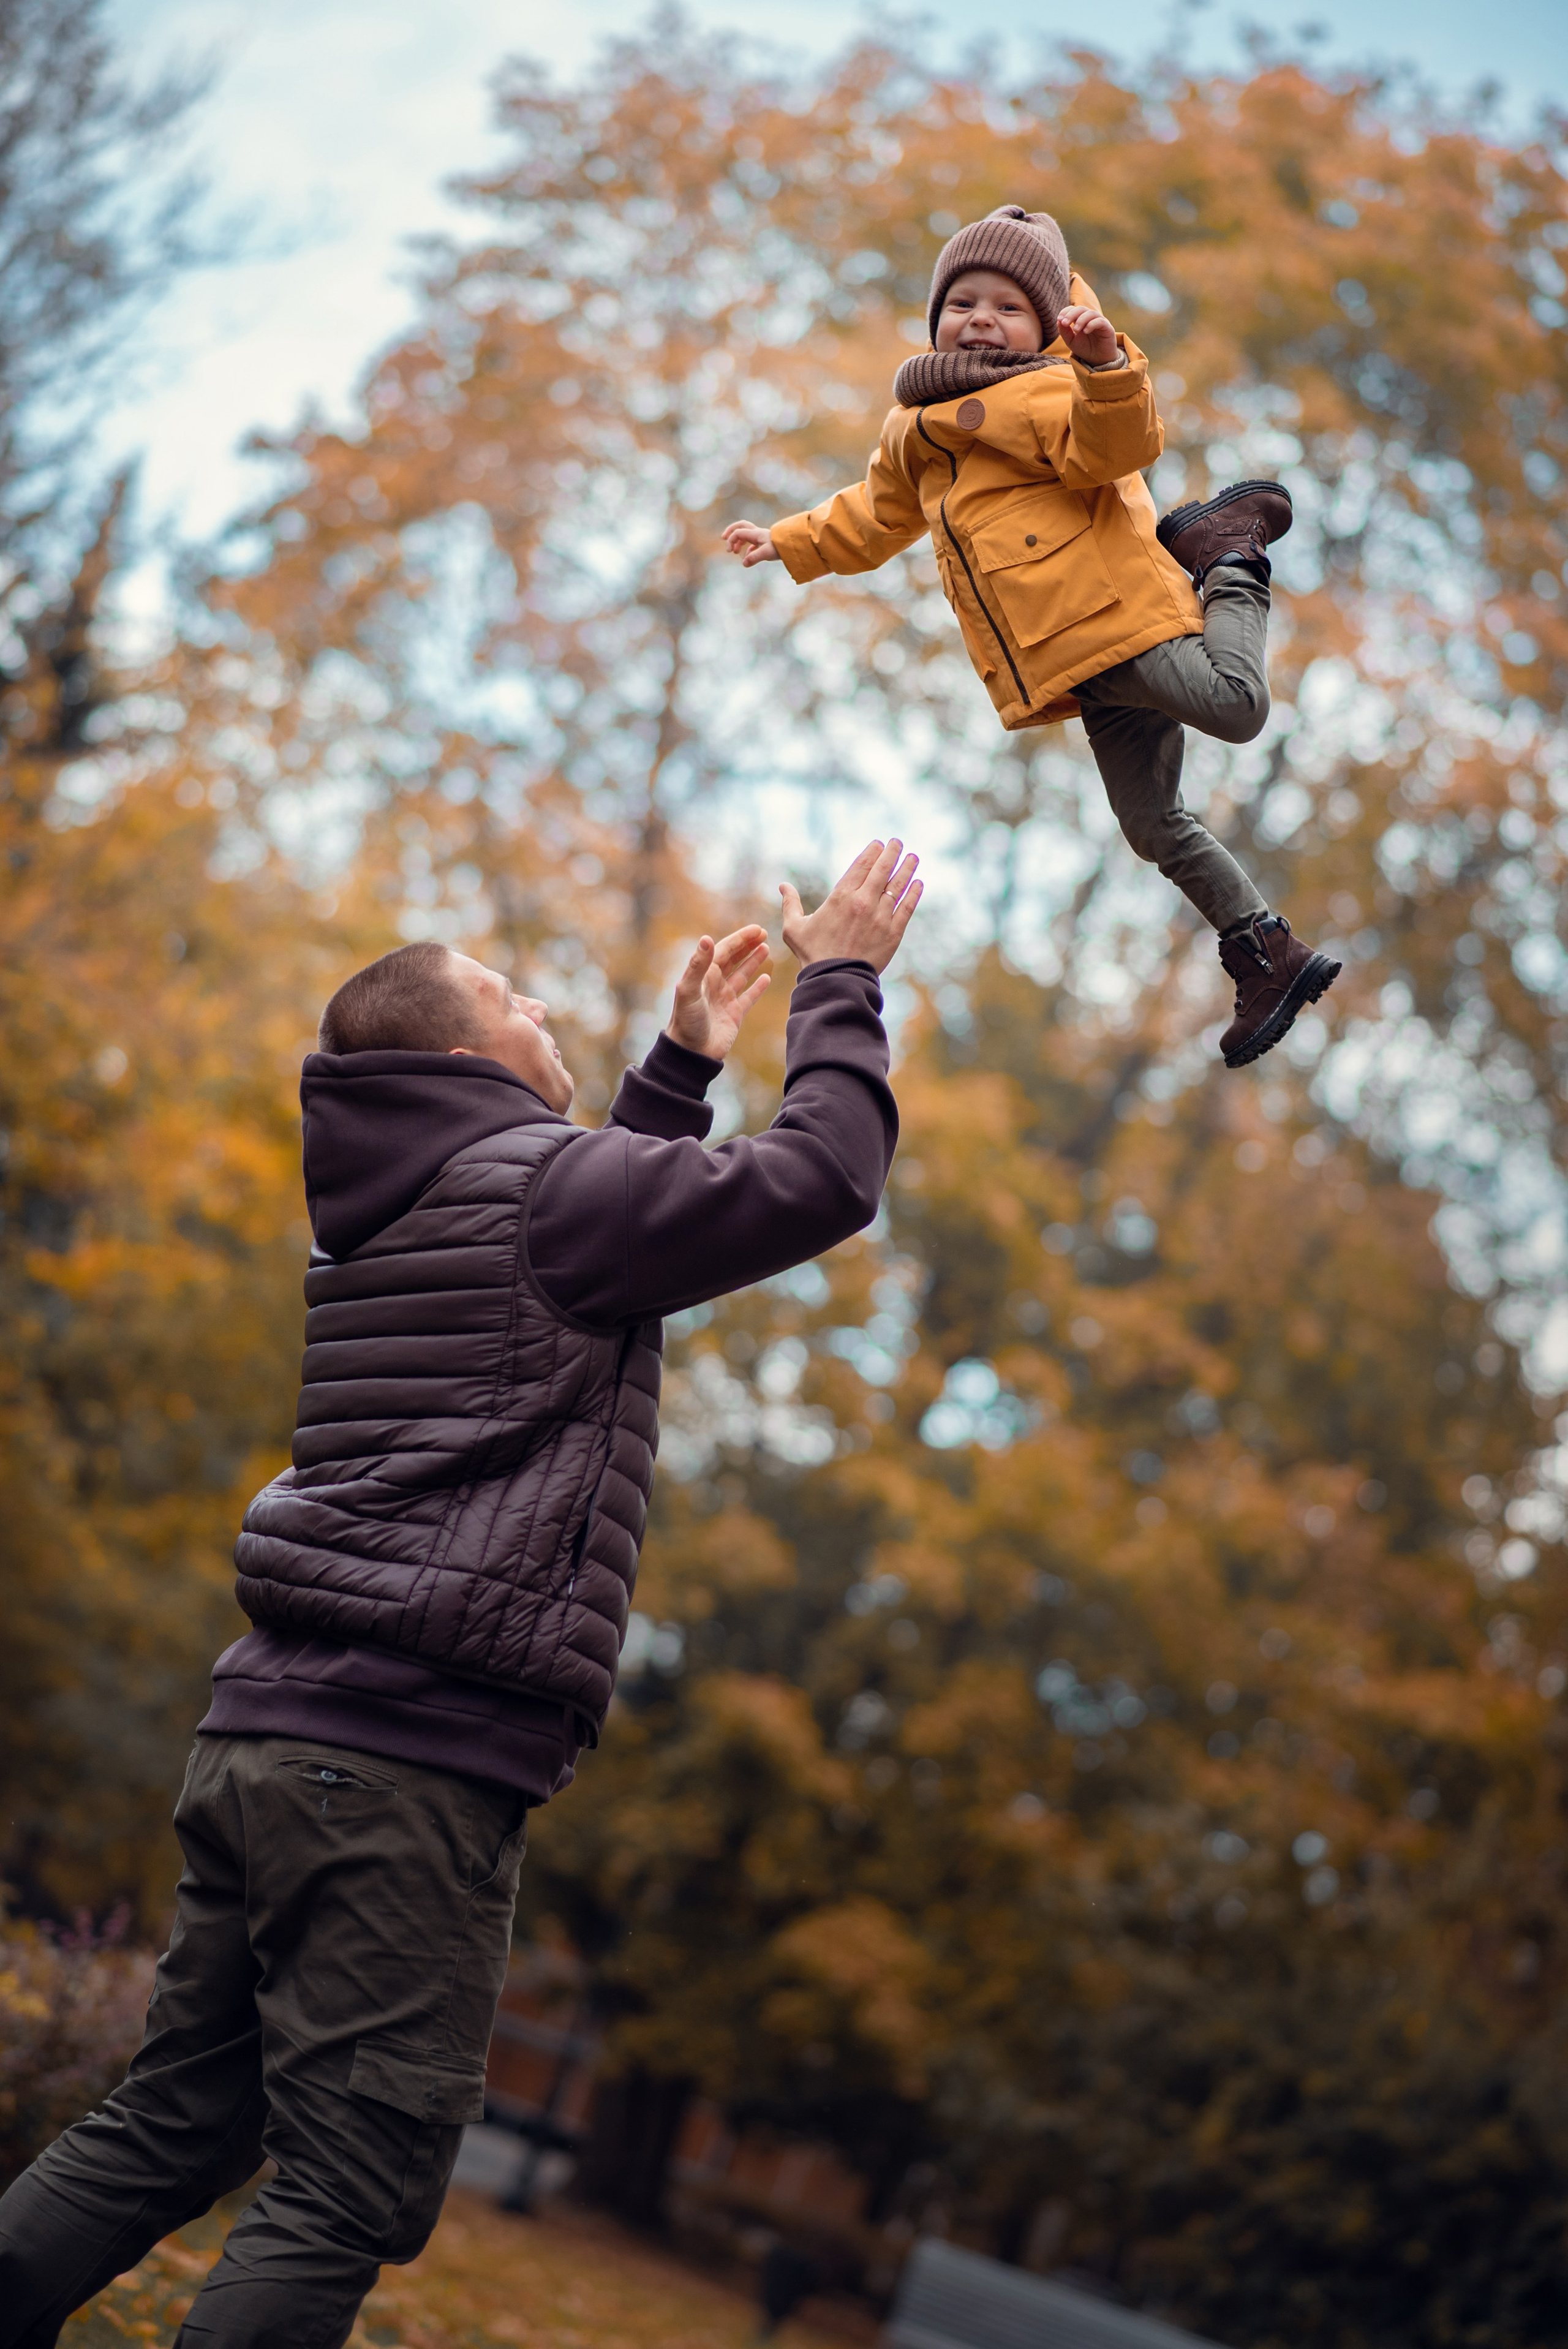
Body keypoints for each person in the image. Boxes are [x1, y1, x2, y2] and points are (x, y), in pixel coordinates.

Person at [0, 839, 923, 2348]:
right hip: (400, 1768)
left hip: (268, 1740)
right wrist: (844, 980)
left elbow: (579, 1271)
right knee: (344, 2187)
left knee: (168, 2126)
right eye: (510, 991)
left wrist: (677, 1071)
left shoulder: (394, 1205)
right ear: (454, 1053)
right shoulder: (536, 1191)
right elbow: (818, 1180)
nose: (540, 996)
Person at [723, 204, 1341, 1071]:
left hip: (1122, 623)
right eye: (962, 300)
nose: (980, 318)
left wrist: (1105, 367)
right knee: (1152, 822)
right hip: (1078, 669)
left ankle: (1228, 551)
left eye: (1007, 306)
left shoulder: (1048, 389)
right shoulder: (912, 429)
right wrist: (790, 539)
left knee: (1236, 707)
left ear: (1044, 324)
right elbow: (870, 517)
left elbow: (1114, 446)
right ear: (935, 313)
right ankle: (1265, 954)